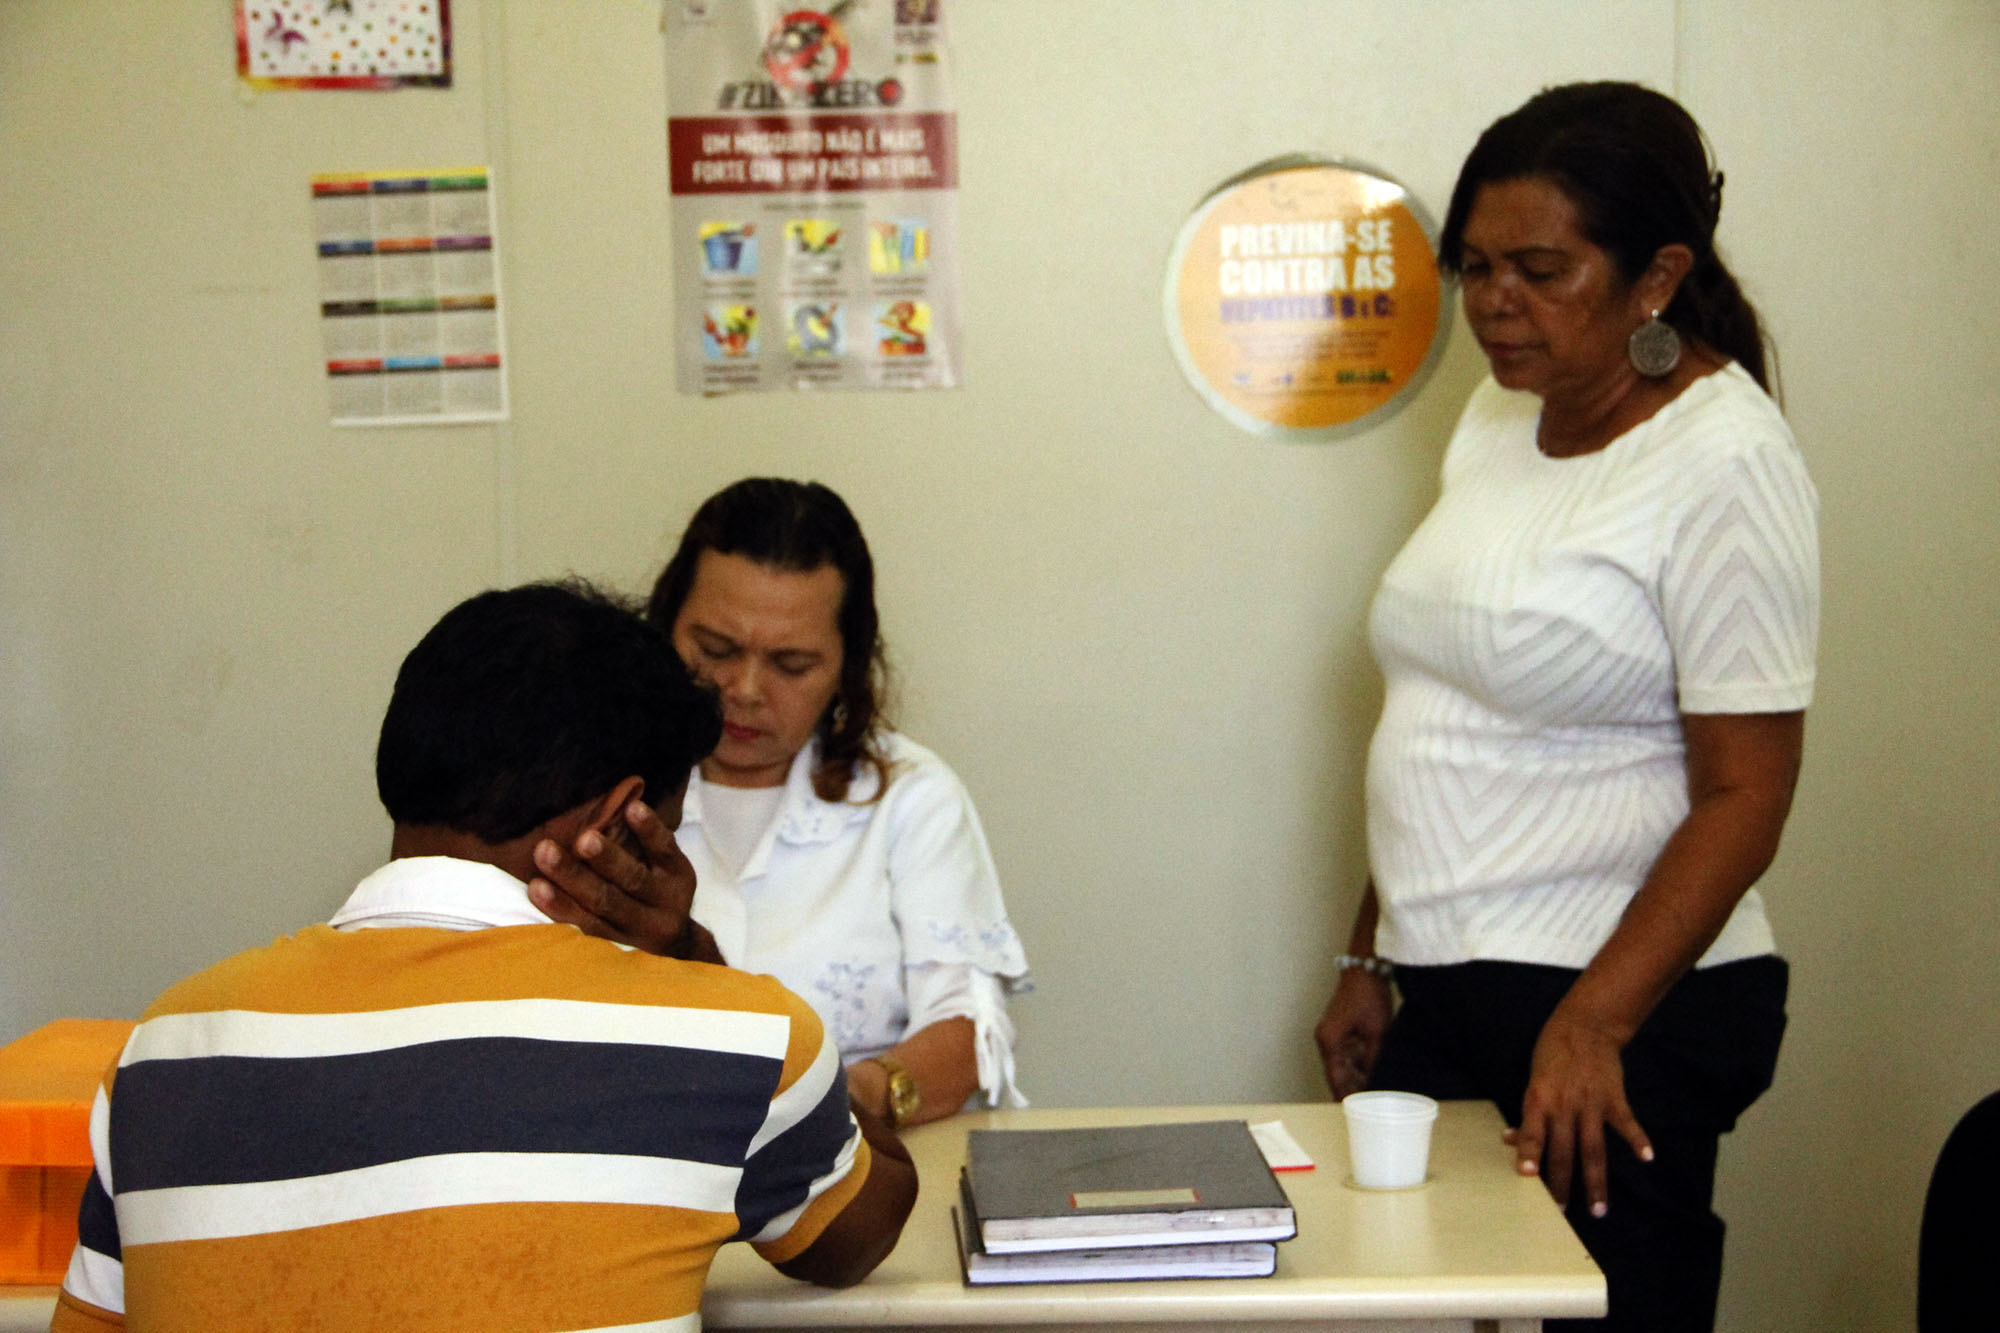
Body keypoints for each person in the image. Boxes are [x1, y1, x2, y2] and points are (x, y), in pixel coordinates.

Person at [52, 582, 916, 1332]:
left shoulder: (162, 1050)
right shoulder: (729, 1040)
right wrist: (691, 956)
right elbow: (864, 1229)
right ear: (619, 823)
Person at [1312, 83, 1818, 1332]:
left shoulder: (1725, 460)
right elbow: (1441, 706)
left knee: (1611, 1318)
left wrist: (1592, 1023)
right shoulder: (1496, 418)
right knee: (1407, 1305)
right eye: (1475, 266)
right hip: (1458, 991)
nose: (1494, 302)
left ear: (1653, 276)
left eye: (1540, 269)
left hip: (1622, 1005)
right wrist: (1366, 957)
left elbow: (1746, 796)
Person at [533, 479, 1029, 1131]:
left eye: (791, 664)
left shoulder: (908, 794)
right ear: (663, 624)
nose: (742, 689)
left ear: (848, 666)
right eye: (713, 650)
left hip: (858, 1167)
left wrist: (845, 1099)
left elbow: (967, 1030)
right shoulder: (584, 782)